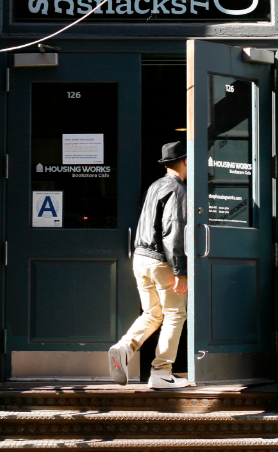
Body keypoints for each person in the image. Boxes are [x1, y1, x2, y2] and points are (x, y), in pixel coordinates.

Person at [108, 141, 189, 389]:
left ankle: (124, 347)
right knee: (175, 314)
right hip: (161, 260)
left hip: (141, 258)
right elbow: (173, 230)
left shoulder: (155, 186)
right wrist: (180, 270)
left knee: (152, 313)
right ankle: (162, 372)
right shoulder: (177, 189)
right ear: (186, 162)